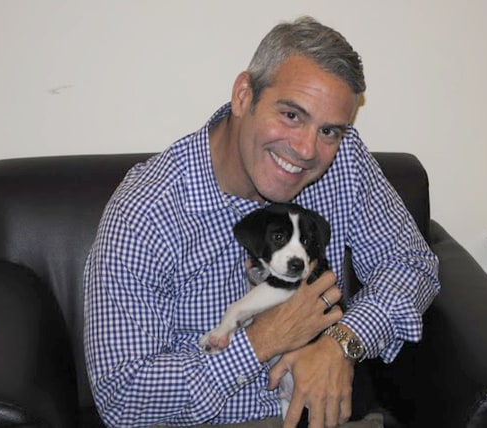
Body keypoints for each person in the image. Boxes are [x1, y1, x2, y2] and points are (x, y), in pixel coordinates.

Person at [84, 16, 440, 428]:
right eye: (291, 115)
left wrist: (341, 343)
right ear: (242, 96)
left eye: (329, 130)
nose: (307, 149)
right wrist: (263, 340)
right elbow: (123, 397)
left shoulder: (345, 162)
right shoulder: (148, 210)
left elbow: (412, 266)